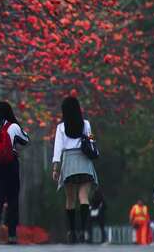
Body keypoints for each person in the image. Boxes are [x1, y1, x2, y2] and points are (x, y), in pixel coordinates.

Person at [52, 96, 98, 244]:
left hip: (69, 162)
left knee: (70, 199)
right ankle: (83, 231)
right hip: (84, 161)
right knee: (84, 198)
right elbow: (91, 140)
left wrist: (55, 167)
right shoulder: (86, 124)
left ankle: (71, 231)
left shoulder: (61, 127)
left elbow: (58, 148)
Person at [0, 101, 29, 245]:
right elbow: (26, 140)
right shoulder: (14, 126)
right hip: (11, 165)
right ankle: (12, 235)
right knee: (13, 198)